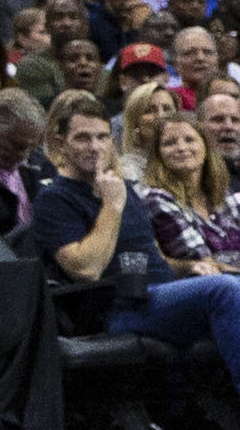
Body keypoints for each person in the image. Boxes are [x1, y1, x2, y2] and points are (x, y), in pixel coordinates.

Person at [33, 95, 240, 394]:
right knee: (224, 290)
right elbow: (86, 269)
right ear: (60, 143)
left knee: (225, 284)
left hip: (164, 297)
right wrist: (112, 207)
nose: (95, 146)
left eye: (102, 137)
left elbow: (156, 258)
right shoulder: (55, 198)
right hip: (123, 307)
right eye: (82, 138)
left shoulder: (123, 189)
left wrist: (193, 267)